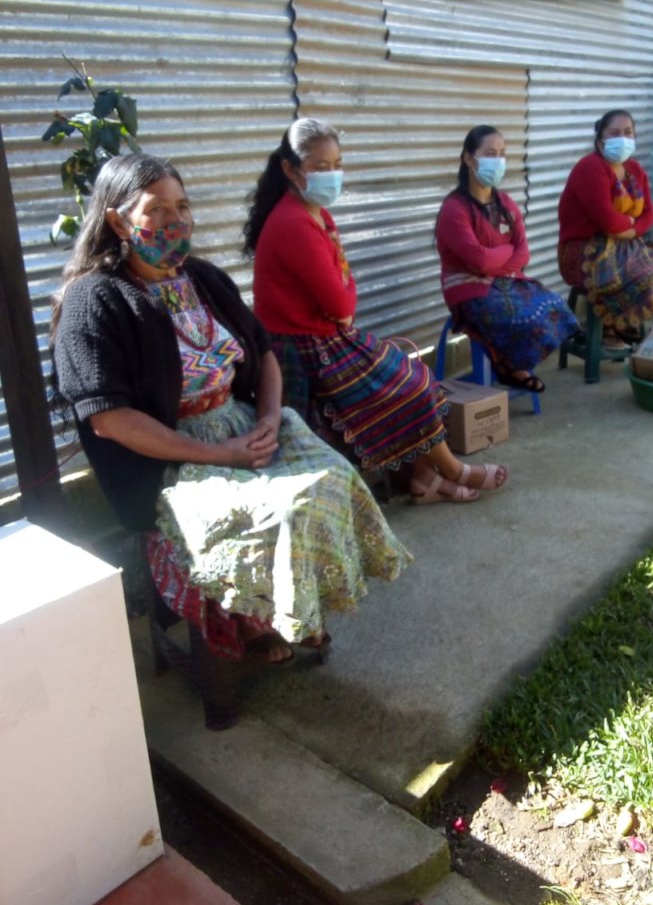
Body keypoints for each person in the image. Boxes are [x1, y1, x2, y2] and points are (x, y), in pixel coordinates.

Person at [51, 152, 412, 664]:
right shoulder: (94, 300)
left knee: (330, 481)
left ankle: (296, 606)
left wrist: (267, 418)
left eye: (182, 206)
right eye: (156, 210)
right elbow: (110, 419)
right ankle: (252, 620)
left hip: (243, 427)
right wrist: (220, 455)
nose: (175, 221)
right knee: (277, 509)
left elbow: (262, 353)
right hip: (169, 457)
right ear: (117, 220)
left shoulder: (202, 277)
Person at [244, 117, 508, 505]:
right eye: (320, 167)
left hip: (327, 337)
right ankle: (451, 470)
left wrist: (343, 300)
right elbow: (342, 302)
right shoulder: (294, 222)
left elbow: (343, 292)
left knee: (414, 377)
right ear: (290, 169)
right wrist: (344, 301)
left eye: (337, 164)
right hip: (304, 349)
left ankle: (424, 478)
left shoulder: (316, 213)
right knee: (411, 387)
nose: (332, 175)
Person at [435, 125, 580, 393]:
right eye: (490, 153)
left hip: (506, 283)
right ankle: (510, 367)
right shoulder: (454, 209)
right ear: (468, 159)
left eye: (502, 153)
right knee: (519, 318)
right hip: (468, 290)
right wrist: (505, 253)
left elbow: (523, 253)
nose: (498, 160)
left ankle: (508, 365)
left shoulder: (506, 204)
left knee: (555, 306)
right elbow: (479, 262)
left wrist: (495, 260)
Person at [558, 109, 653, 346]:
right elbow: (606, 220)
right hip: (584, 250)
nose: (623, 138)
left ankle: (624, 326)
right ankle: (611, 331)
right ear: (600, 140)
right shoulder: (590, 167)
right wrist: (627, 227)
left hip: (626, 243)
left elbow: (649, 214)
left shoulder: (634, 169)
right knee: (637, 277)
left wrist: (630, 231)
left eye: (628, 133)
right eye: (615, 133)